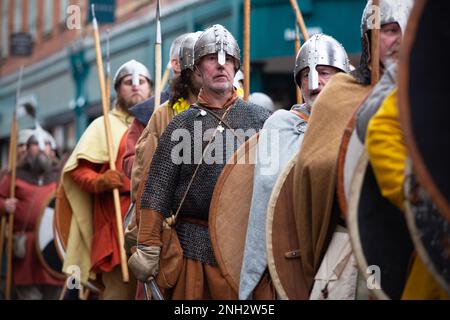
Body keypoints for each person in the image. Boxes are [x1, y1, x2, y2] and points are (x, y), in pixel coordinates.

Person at [128, 24, 271, 300]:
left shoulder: (261, 120)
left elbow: (279, 190)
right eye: (211, 59)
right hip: (193, 251)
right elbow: (156, 192)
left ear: (236, 67)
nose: (221, 66)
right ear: (196, 70)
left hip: (246, 250)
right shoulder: (180, 124)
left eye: (228, 59)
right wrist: (148, 245)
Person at [290, 0, 413, 299]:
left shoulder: (430, 91)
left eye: (405, 29)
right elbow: (312, 173)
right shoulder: (339, 94)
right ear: (369, 36)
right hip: (350, 241)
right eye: (387, 29)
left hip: (422, 245)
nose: (398, 38)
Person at [239, 34, 351, 300]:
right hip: (291, 250)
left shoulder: (356, 121)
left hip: (341, 243)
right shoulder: (281, 125)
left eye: (324, 72)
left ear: (344, 78)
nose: (315, 83)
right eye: (306, 75)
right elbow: (266, 194)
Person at [57, 59, 151, 300]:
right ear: (118, 90)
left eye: (142, 81)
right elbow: (78, 172)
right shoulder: (103, 126)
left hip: (152, 222)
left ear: (151, 88)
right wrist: (101, 181)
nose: (136, 86)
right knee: (119, 291)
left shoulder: (158, 121)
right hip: (116, 223)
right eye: (128, 82)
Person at [125, 31, 203, 299]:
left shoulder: (237, 113)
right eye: (198, 64)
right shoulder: (163, 115)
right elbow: (142, 178)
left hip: (220, 234)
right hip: (172, 230)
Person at [0, 131, 63, 299]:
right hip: (25, 249)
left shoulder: (60, 176)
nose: (42, 148)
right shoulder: (14, 175)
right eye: (35, 144)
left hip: (53, 247)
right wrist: (4, 205)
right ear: (27, 150)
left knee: (55, 294)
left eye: (46, 144)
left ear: (52, 150)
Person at [123, 34, 190, 181]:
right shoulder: (150, 111)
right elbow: (130, 163)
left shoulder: (217, 105)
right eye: (194, 59)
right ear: (176, 64)